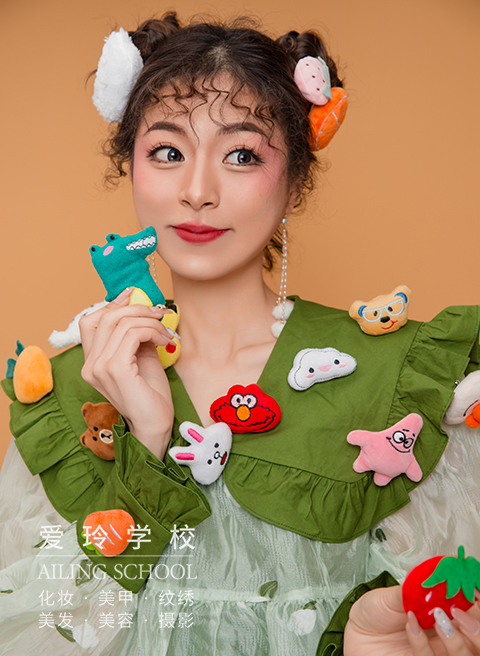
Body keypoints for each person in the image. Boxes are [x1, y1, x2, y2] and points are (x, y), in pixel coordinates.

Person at [1, 11, 480, 655]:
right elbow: (35, 632)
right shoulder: (65, 395)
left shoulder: (401, 380)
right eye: (168, 152)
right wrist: (148, 438)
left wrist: (364, 643)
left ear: (294, 182)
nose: (197, 191)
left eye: (242, 155)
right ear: (133, 167)